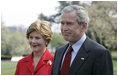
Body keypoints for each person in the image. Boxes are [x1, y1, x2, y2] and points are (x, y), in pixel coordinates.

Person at [51, 5, 113, 75]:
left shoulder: (100, 54)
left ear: (84, 26)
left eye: (69, 24)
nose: (64, 28)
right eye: (62, 23)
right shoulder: (59, 52)